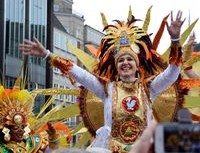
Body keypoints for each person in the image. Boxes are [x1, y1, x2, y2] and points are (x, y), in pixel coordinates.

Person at [19, 10, 185, 152]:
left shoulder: (150, 89)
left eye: (129, 59)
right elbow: (80, 74)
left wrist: (175, 41)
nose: (125, 63)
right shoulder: (107, 88)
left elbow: (172, 73)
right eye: (120, 60)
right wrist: (48, 54)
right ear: (116, 66)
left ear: (137, 65)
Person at [0, 85, 61, 152]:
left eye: (22, 127)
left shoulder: (33, 143)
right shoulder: (2, 149)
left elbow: (52, 151)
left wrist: (53, 136)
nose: (20, 130)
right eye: (15, 128)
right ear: (7, 130)